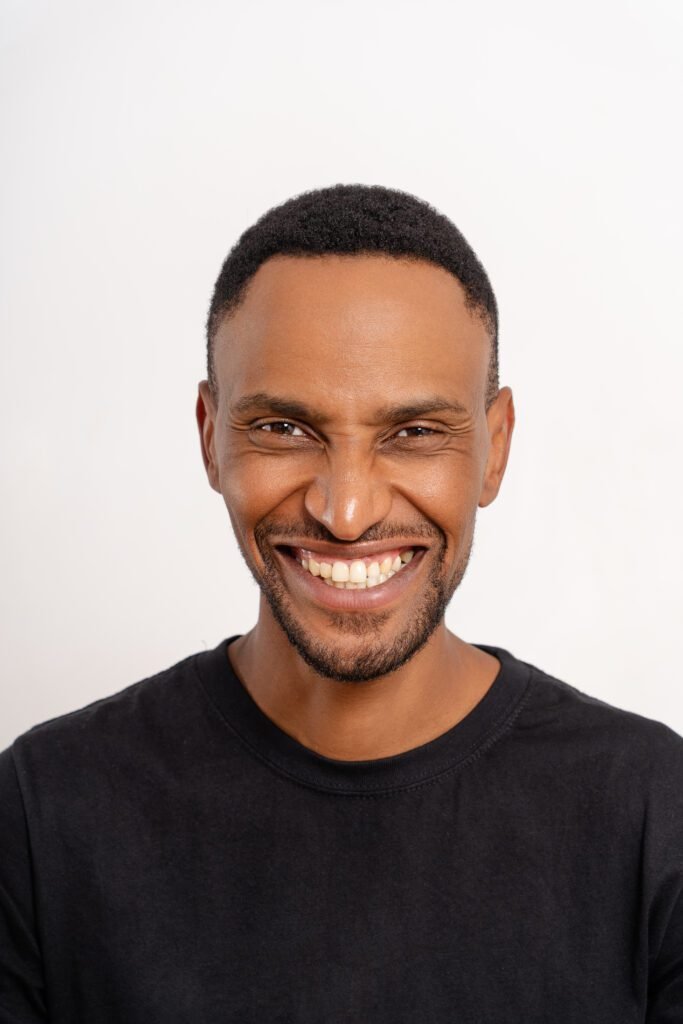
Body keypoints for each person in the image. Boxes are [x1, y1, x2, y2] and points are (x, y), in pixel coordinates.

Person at [1, 184, 681, 1022]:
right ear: (209, 435)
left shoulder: (652, 811)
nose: (347, 512)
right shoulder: (44, 811)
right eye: (283, 429)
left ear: (494, 449)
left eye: (414, 433)